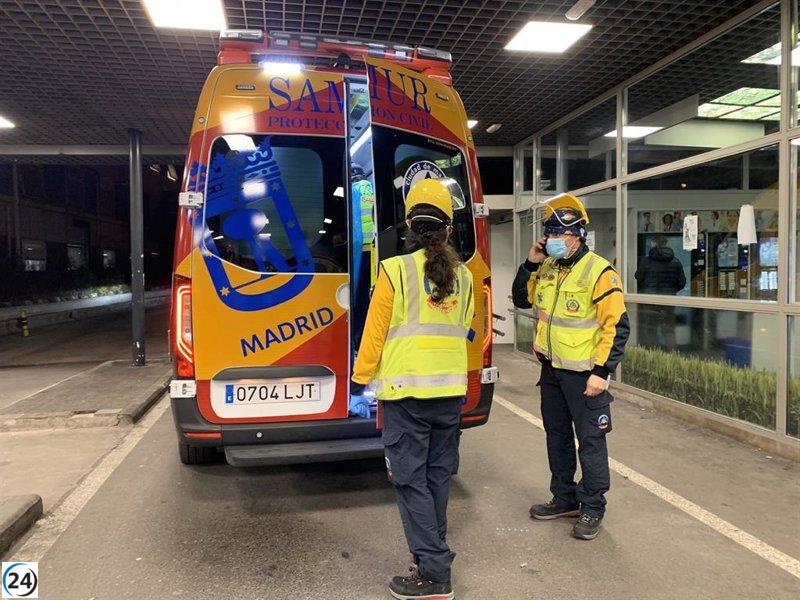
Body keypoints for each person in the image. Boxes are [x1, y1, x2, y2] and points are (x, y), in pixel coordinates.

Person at [349, 178, 474, 599]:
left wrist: (360, 379)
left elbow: (375, 332)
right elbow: (469, 328)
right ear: (449, 229)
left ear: (409, 227)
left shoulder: (396, 271)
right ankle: (431, 556)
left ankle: (435, 573)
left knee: (408, 480)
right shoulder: (467, 278)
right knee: (438, 477)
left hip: (406, 394)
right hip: (449, 393)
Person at [512, 193, 629, 541]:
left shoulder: (600, 272)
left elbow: (617, 326)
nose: (553, 241)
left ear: (578, 235)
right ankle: (564, 498)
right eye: (549, 234)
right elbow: (521, 298)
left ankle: (592, 507)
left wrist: (602, 372)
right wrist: (530, 264)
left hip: (585, 376)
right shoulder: (547, 267)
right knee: (557, 437)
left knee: (591, 442)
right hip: (551, 371)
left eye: (560, 234)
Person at [634, 236, 685, 349]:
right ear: (665, 244)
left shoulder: (645, 261)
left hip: (650, 300)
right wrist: (671, 290)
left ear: (654, 244)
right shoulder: (675, 262)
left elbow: (638, 277)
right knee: (669, 329)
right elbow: (682, 282)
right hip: (669, 300)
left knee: (650, 328)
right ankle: (672, 355)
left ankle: (652, 355)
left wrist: (646, 287)